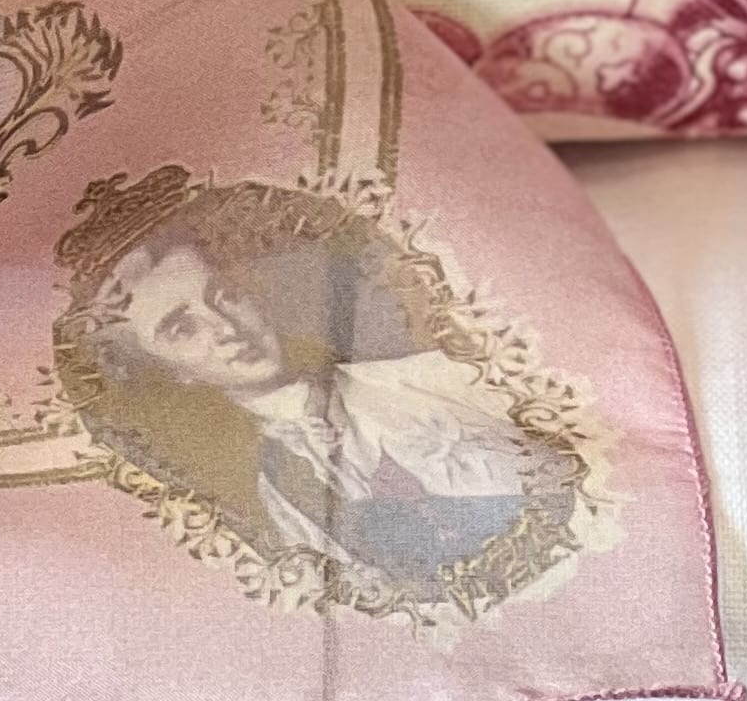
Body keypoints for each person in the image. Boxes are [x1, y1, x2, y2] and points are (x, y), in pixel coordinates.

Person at [88, 222, 543, 598]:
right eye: (183, 329)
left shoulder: (425, 378)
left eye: (224, 295)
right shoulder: (279, 497)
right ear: (175, 373)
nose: (225, 328)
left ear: (253, 295)